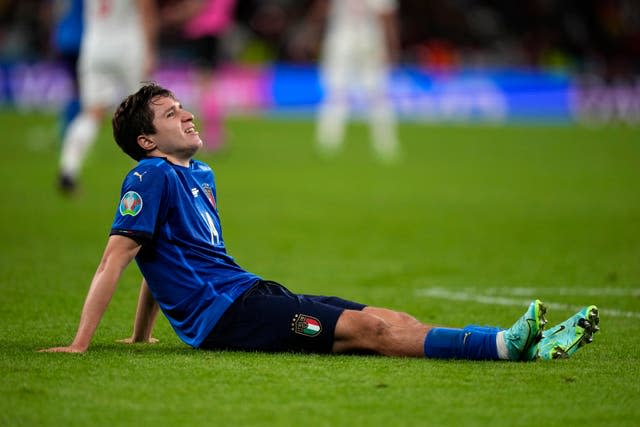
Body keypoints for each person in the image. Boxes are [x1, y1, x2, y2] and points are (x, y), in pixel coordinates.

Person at [41, 84, 600, 361]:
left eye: (182, 106)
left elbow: (165, 254)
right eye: (170, 114)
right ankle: (506, 344)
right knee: (371, 333)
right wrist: (79, 345)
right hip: (229, 317)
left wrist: (142, 334)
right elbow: (120, 255)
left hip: (247, 293)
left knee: (386, 314)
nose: (186, 114)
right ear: (146, 141)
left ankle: (521, 344)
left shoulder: (201, 173)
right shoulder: (149, 178)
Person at [58, 0, 158, 193]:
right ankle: (143, 176)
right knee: (142, 112)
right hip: (128, 46)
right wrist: (150, 50)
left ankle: (68, 167)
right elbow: (147, 10)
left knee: (91, 113)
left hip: (95, 46)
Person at [305, 0, 401, 162]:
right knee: (376, 95)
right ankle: (385, 144)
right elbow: (387, 17)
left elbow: (321, 8)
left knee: (337, 93)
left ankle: (329, 142)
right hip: (368, 40)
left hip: (343, 40)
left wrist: (313, 34)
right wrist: (392, 48)